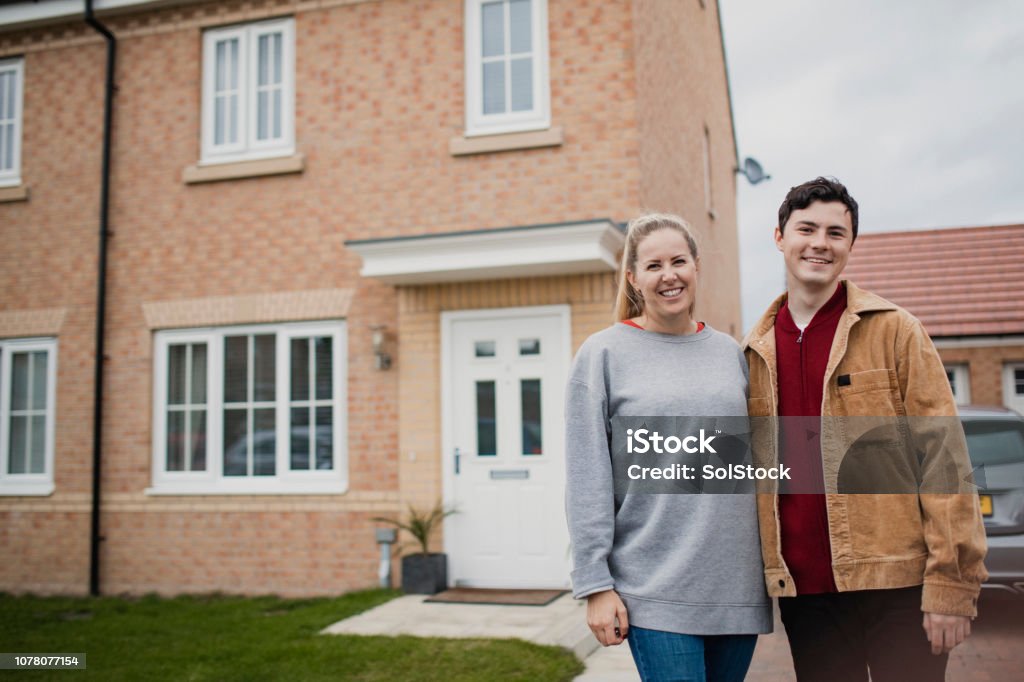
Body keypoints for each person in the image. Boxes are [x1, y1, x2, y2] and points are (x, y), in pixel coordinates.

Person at [743, 177, 988, 682]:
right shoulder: (754, 351)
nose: (819, 243)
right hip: (807, 596)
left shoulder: (896, 330)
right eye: (806, 228)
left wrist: (952, 586)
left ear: (851, 245)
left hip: (899, 584)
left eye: (836, 233)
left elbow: (945, 460)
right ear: (779, 237)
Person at [566, 213, 772, 682]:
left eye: (679, 261)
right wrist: (595, 584)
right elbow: (586, 478)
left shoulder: (730, 354)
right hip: (653, 585)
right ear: (634, 277)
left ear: (696, 266)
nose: (669, 275)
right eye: (654, 265)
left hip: (735, 585)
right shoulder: (603, 355)